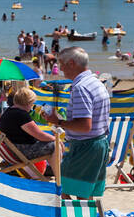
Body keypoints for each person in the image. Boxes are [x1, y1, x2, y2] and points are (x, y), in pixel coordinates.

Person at [46, 47, 110, 198]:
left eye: (62, 64)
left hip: (85, 147)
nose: (60, 68)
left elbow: (84, 126)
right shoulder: (96, 82)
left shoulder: (81, 88)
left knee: (64, 190)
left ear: (72, 63)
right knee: (85, 195)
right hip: (98, 144)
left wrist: (59, 122)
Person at [0, 87, 59, 175]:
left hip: (11, 149)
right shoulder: (21, 115)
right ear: (28, 102)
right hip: (20, 151)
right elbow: (40, 135)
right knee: (56, 145)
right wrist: (56, 139)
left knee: (55, 144)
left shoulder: (8, 112)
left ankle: (55, 173)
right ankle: (59, 178)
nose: (32, 106)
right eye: (32, 103)